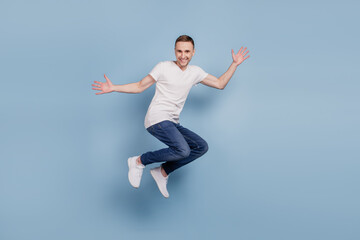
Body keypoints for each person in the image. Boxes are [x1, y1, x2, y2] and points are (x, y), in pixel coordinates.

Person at [92, 35, 250, 198]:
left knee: (201, 147)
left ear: (193, 52)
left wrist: (234, 64)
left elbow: (220, 84)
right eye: (179, 51)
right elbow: (140, 86)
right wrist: (114, 87)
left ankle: (163, 171)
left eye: (187, 51)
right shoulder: (163, 67)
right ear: (174, 51)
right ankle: (139, 161)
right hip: (157, 118)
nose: (183, 55)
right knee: (182, 150)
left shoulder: (195, 72)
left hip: (172, 122)